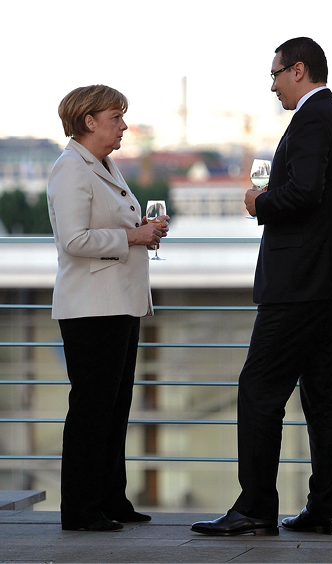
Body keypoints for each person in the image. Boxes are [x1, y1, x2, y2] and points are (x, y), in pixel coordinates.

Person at [191, 37, 332, 537]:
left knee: (259, 390)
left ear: (298, 70)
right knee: (323, 395)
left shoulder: (313, 120)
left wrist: (260, 202)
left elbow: (304, 192)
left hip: (300, 281)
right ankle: (325, 509)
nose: (273, 85)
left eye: (275, 74)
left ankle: (255, 508)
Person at [47, 85, 169, 532]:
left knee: (114, 407)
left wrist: (141, 228)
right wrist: (133, 237)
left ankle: (111, 500)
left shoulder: (103, 165)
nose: (124, 125)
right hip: (91, 307)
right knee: (92, 410)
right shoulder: (70, 170)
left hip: (118, 303)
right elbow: (73, 241)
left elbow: (106, 227)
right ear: (88, 122)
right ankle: (79, 509)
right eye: (116, 117)